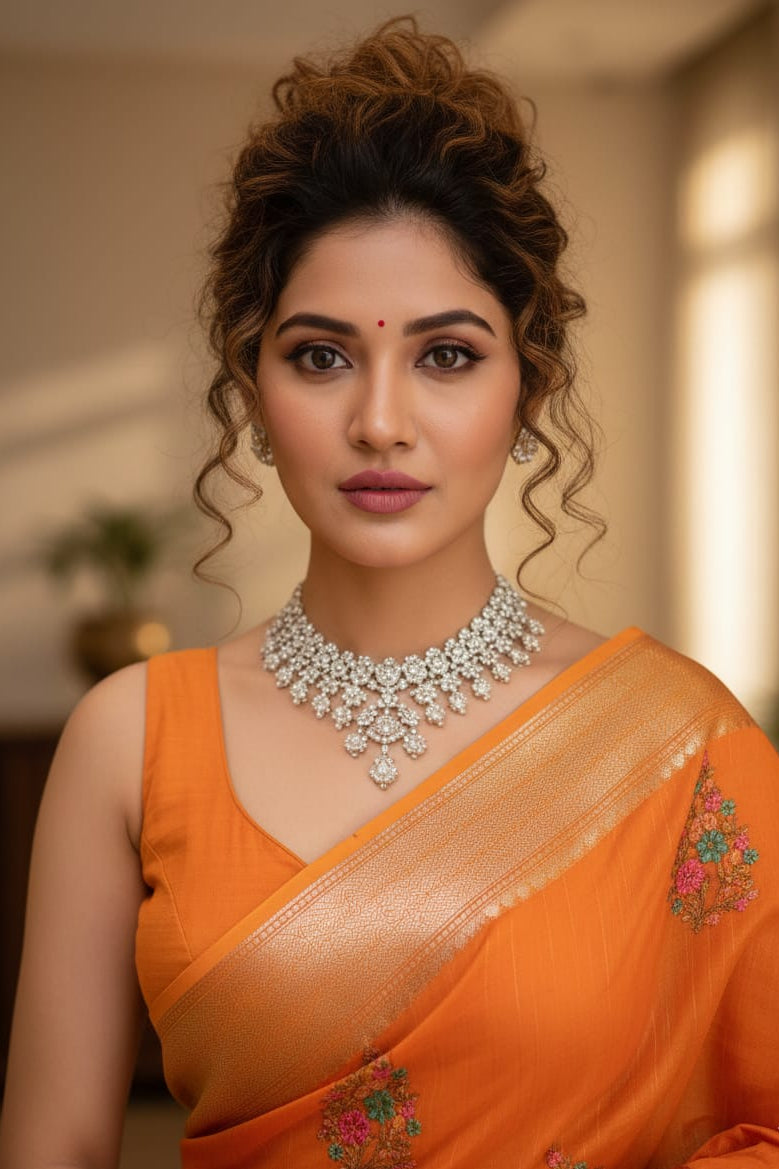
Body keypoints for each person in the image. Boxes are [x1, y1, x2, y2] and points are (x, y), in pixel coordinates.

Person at [1, 17, 778, 1169]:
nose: (378, 421)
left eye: (445, 354)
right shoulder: (130, 741)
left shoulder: (676, 744)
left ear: (526, 389)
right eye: (320, 355)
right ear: (252, 389)